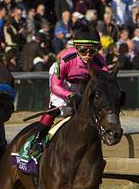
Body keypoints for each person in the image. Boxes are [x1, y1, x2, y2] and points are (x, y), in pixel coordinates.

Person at [17, 29, 108, 163]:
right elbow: (55, 87)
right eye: (83, 51)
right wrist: (69, 95)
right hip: (62, 82)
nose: (88, 55)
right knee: (57, 108)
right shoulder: (65, 60)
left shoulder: (100, 63)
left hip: (82, 83)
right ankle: (37, 140)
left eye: (92, 51)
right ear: (76, 48)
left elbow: (105, 83)